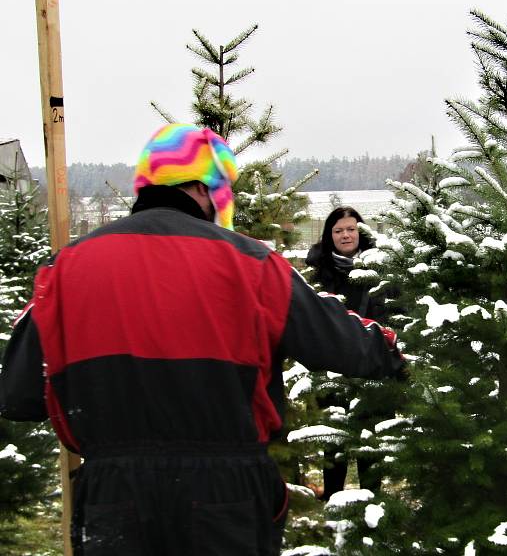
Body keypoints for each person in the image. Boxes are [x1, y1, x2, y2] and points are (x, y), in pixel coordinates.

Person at [0, 124, 405, 556]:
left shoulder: (66, 269)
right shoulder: (250, 262)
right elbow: (345, 343)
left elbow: (19, 395)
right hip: (225, 494)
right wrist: (394, 351)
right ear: (199, 186)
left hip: (113, 499)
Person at [305, 206, 390, 501]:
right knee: (334, 446)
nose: (346, 235)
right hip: (332, 370)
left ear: (361, 232)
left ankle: (371, 509)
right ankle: (332, 506)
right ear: (330, 235)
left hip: (371, 368)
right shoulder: (318, 272)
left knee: (370, 444)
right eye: (339, 230)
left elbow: (393, 313)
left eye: (351, 229)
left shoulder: (379, 269)